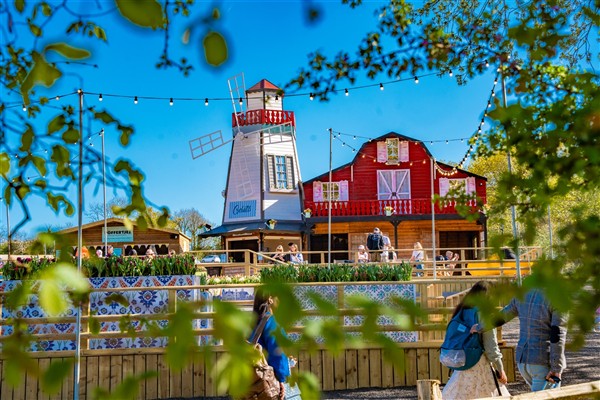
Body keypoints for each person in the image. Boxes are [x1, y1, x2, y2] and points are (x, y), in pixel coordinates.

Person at [474, 289, 568, 392]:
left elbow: (502, 316)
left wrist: (479, 327)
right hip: (542, 361)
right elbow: (557, 335)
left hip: (523, 361)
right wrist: (556, 368)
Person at [442, 281, 510, 399]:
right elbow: (491, 346)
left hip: (462, 362)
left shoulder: (462, 310)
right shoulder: (485, 313)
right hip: (479, 363)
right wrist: (500, 369)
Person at [251, 288, 295, 399]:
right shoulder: (272, 322)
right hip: (271, 382)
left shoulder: (253, 323)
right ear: (270, 299)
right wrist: (282, 379)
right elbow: (277, 353)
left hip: (255, 384)